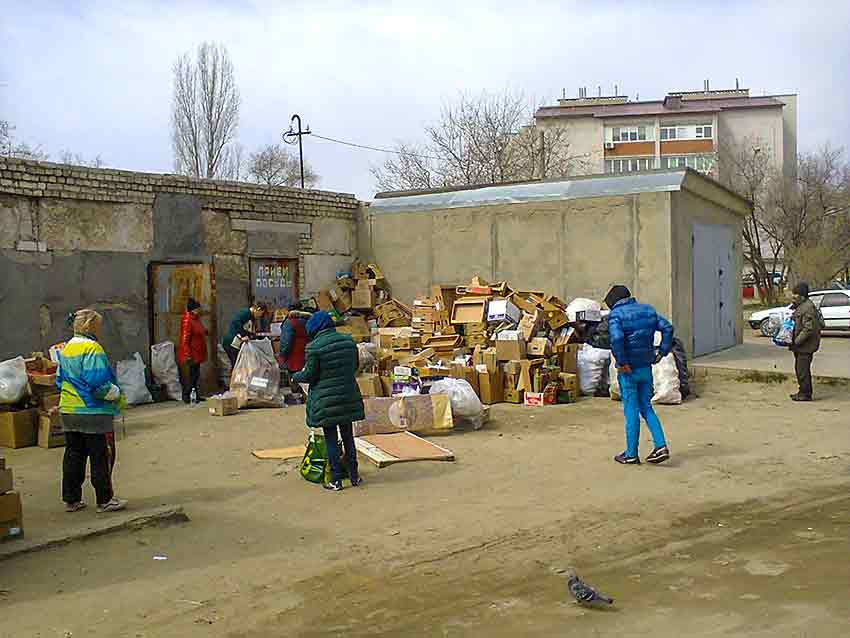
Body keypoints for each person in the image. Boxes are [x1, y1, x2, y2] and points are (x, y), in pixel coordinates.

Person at [57, 309, 127, 513]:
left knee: (73, 454)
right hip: (92, 412)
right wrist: (115, 393)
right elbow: (97, 384)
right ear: (90, 326)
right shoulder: (92, 348)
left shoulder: (67, 348)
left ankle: (71, 499)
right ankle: (105, 499)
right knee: (100, 456)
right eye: (99, 325)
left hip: (69, 409)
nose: (101, 329)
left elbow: (59, 380)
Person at [293, 311, 365, 491]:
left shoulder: (314, 347)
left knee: (331, 438)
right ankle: (355, 476)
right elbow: (355, 366)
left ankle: (336, 480)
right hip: (347, 395)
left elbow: (309, 375)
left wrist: (295, 376)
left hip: (326, 400)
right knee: (348, 437)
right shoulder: (348, 342)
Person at [605, 285, 673, 465]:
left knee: (631, 410)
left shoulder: (616, 315)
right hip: (645, 366)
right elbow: (667, 327)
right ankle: (660, 446)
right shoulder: (648, 310)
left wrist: (622, 362)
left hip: (629, 370)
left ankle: (631, 454)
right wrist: (663, 351)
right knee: (646, 407)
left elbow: (617, 339)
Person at [789, 281, 823, 402]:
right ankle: (802, 391)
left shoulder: (808, 308)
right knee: (800, 369)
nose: (793, 296)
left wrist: (796, 341)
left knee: (802, 370)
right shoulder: (801, 306)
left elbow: (809, 329)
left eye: (795, 294)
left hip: (805, 346)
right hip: (801, 346)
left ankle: (805, 394)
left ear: (802, 296)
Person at [178, 298, 208, 403]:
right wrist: (187, 355)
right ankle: (187, 395)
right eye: (198, 309)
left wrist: (204, 331)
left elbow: (199, 329)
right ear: (193, 309)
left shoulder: (195, 319)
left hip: (198, 352)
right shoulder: (188, 320)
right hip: (192, 352)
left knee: (196, 375)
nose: (199, 310)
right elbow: (185, 339)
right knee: (192, 375)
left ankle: (195, 394)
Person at [222, 302, 267, 367]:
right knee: (236, 365)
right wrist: (244, 335)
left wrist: (250, 334)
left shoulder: (249, 316)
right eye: (261, 314)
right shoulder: (246, 313)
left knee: (237, 365)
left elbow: (243, 328)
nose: (259, 316)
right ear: (258, 309)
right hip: (231, 343)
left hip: (234, 343)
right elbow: (236, 323)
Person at [279, 303, 312, 373]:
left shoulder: (290, 322)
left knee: (294, 381)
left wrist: (282, 356)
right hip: (309, 360)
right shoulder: (310, 321)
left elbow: (286, 343)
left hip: (294, 361)